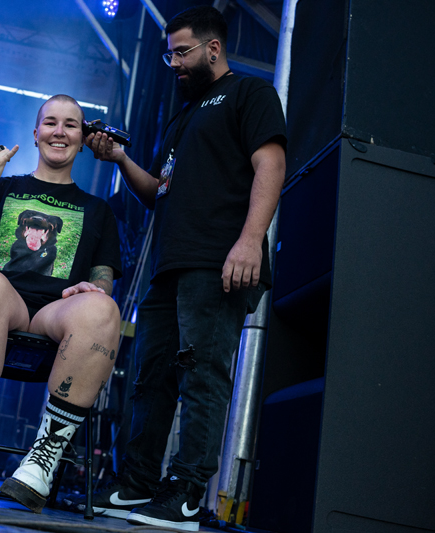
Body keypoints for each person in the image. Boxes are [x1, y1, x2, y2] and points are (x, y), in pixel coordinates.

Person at [81, 6, 287, 531]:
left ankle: (188, 494)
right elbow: (158, 191)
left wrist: (249, 241)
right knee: (150, 377)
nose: (172, 61)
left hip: (220, 263)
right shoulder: (182, 116)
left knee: (202, 376)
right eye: (167, 53)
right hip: (170, 267)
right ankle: (137, 485)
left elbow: (271, 164)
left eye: (181, 51)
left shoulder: (249, 94)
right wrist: (122, 162)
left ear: (212, 49)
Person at [0, 94, 122, 513]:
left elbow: (104, 279)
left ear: (82, 138)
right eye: (51, 123)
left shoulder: (99, 210)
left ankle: (42, 461)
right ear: (36, 133)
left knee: (101, 309)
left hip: (54, 313)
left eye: (71, 125)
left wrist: (94, 293)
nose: (60, 131)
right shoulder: (3, 188)